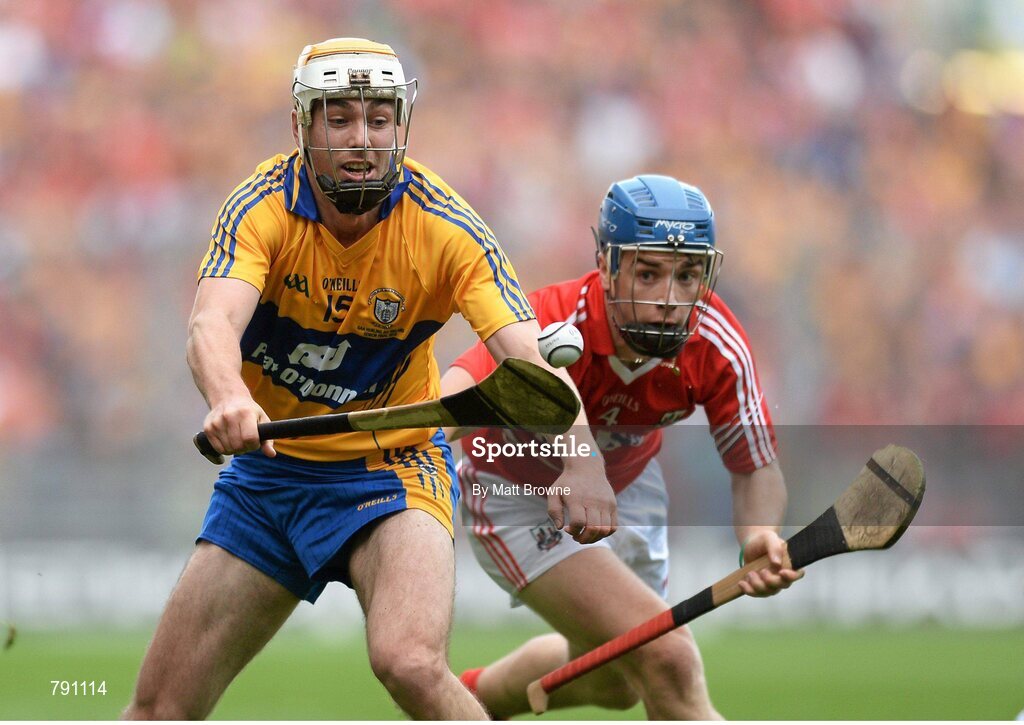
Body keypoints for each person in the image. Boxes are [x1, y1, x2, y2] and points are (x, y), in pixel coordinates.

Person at [123, 38, 616, 721]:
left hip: (394, 467)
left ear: (400, 126)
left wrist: (581, 457)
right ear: (302, 126)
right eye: (341, 118)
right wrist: (229, 395)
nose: (363, 139)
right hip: (271, 477)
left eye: (379, 119)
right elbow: (211, 324)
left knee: (409, 662)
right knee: (159, 709)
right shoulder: (260, 208)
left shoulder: (446, 228)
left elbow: (526, 355)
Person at [442, 175, 803, 719]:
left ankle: (477, 699)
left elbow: (754, 465)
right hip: (512, 493)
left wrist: (758, 535)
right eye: (649, 273)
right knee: (669, 658)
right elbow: (453, 397)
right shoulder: (553, 320)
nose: (669, 298)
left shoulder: (717, 343)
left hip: (629, 493)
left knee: (619, 680)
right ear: (608, 267)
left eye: (687, 275)